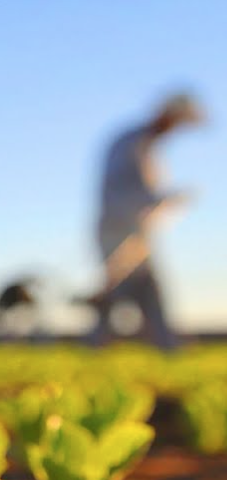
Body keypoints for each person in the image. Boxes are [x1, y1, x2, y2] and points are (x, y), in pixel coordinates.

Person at [86, 93, 203, 350]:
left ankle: (165, 346)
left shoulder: (147, 145)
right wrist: (169, 198)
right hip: (118, 230)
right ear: (167, 115)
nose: (176, 129)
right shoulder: (132, 143)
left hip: (136, 233)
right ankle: (99, 346)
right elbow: (126, 190)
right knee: (120, 290)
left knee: (144, 291)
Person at [0, 275, 41, 341]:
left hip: (6, 303)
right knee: (2, 322)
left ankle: (7, 335)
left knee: (5, 321)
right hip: (4, 303)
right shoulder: (14, 292)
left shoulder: (17, 292)